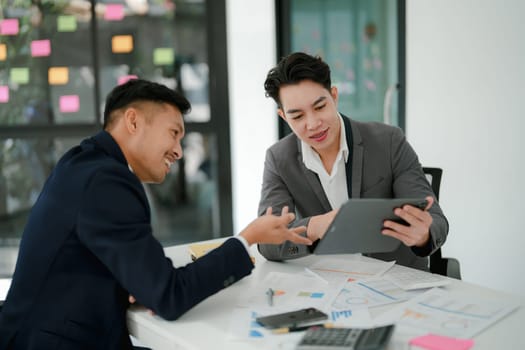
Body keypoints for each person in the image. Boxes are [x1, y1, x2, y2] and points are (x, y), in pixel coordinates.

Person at [0, 79, 311, 349]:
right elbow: (169, 296)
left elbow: (127, 271)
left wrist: (134, 284)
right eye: (173, 133)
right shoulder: (108, 181)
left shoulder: (83, 162)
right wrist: (248, 238)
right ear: (133, 122)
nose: (178, 150)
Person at [257, 52, 448, 271]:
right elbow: (266, 240)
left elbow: (437, 222)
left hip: (395, 281)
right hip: (327, 283)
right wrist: (315, 226)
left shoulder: (389, 141)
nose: (312, 124)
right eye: (298, 116)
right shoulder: (278, 158)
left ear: (334, 96)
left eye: (320, 107)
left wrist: (424, 234)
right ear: (283, 116)